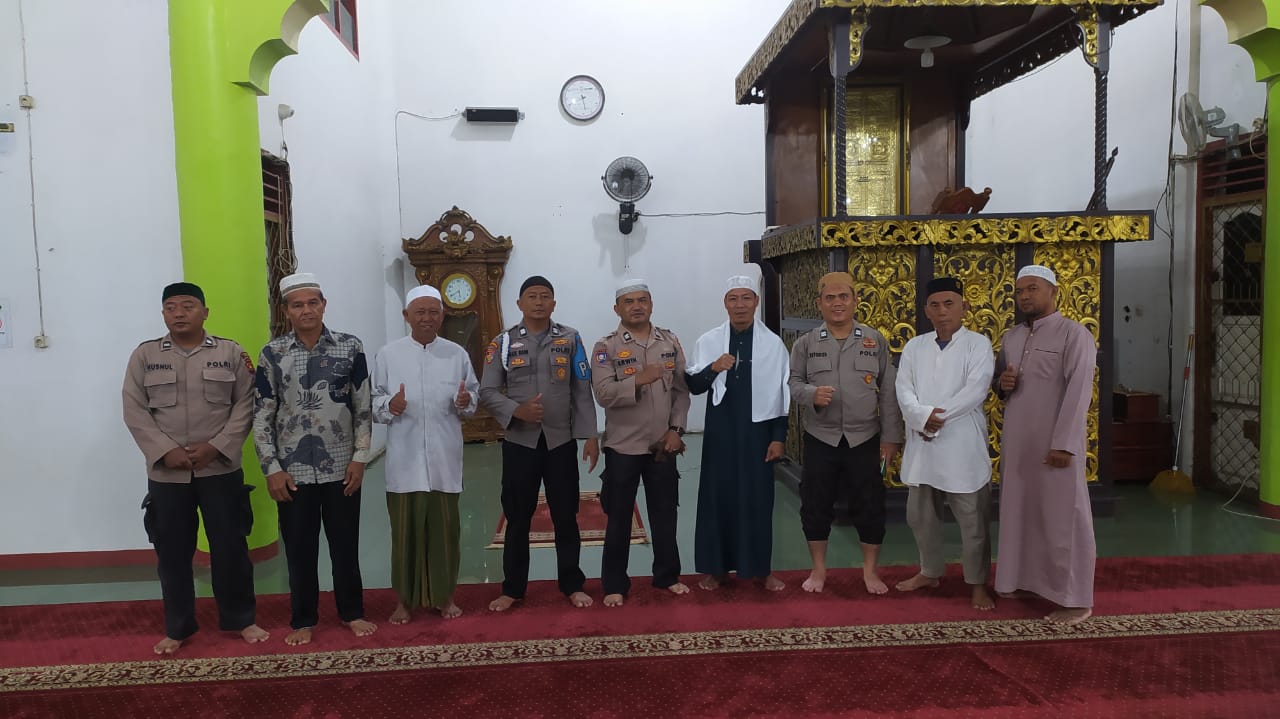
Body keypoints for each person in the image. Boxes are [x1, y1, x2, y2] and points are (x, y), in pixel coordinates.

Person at [122, 282, 269, 655]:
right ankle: (178, 627)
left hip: (219, 470)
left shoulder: (230, 353)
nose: (179, 313)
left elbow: (246, 404)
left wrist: (216, 447)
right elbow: (134, 408)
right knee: (172, 554)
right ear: (163, 314)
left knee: (231, 548)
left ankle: (241, 619)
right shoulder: (145, 355)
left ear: (205, 312)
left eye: (188, 306)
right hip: (167, 475)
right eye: (171, 307)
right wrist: (164, 451)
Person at [252, 272, 376, 645]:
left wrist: (360, 458)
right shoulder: (273, 354)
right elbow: (262, 415)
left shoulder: (350, 347)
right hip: (292, 473)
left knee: (345, 547)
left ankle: (352, 612)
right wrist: (271, 469)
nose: (306, 310)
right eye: (297, 305)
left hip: (341, 468)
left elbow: (363, 407)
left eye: (312, 303)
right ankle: (303, 619)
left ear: (323, 305)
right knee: (299, 551)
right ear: (286, 310)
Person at [479, 276, 599, 612]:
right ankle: (512, 589)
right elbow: (487, 391)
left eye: (545, 296)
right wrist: (516, 410)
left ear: (554, 303)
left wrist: (591, 435)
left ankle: (572, 584)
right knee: (517, 517)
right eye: (531, 296)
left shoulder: (570, 338)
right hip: (520, 442)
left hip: (561, 442)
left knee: (566, 515)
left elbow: (582, 388)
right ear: (519, 303)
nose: (538, 302)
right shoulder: (503, 342)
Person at [788, 271, 904, 595]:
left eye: (843, 297)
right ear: (819, 303)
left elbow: (888, 393)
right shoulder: (806, 343)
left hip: (864, 438)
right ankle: (818, 569)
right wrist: (811, 394)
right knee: (815, 504)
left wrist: (891, 437)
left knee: (870, 504)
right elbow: (793, 383)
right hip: (820, 437)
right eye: (830, 298)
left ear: (855, 300)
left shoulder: (874, 340)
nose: (837, 303)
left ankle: (870, 571)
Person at [993, 264, 1097, 625]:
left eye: (1032, 288)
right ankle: (1024, 581)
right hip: (1019, 444)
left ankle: (1076, 599)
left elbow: (1079, 392)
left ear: (1053, 291)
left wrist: (1064, 444)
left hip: (1056, 446)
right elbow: (1004, 387)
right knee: (1022, 512)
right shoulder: (1012, 337)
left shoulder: (1075, 335)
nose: (1024, 296)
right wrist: (1003, 385)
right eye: (1020, 290)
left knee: (1064, 518)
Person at [372, 285, 478, 622]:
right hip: (404, 463)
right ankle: (404, 601)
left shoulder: (456, 355)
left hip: (445, 460)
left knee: (445, 533)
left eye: (434, 312)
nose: (427, 318)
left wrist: (466, 401)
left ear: (442, 316)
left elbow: (472, 398)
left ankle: (445, 597)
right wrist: (390, 404)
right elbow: (373, 402)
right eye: (420, 312)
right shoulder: (388, 355)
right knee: (405, 535)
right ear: (407, 316)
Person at [893, 277, 997, 610]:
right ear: (926, 310)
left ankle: (978, 583)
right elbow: (903, 389)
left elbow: (976, 390)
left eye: (949, 304)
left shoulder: (977, 344)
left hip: (961, 446)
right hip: (923, 446)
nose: (942, 311)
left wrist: (934, 419)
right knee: (921, 517)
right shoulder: (915, 347)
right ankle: (930, 571)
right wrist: (921, 417)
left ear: (964, 306)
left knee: (973, 521)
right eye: (935, 305)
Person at [685, 274, 790, 592]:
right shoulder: (708, 341)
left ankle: (761, 570)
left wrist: (778, 437)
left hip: (758, 435)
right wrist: (714, 367)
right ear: (725, 303)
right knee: (717, 500)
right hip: (720, 434)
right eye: (733, 298)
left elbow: (782, 395)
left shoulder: (774, 345)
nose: (740, 305)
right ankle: (716, 569)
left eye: (746, 298)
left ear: (756, 302)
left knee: (758, 501)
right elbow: (693, 385)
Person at [592, 279, 691, 607]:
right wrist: (638, 380)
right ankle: (614, 584)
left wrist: (677, 429)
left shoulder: (669, 341)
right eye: (629, 301)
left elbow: (681, 391)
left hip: (662, 445)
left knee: (665, 515)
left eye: (642, 300)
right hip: (623, 446)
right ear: (617, 308)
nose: (637, 306)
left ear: (651, 304)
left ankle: (667, 576)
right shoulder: (605, 347)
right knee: (619, 518)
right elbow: (603, 394)